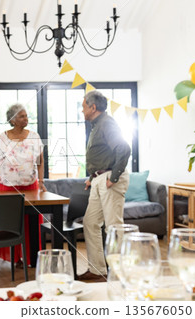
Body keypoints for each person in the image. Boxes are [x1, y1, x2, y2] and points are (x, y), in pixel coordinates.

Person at [0, 103, 46, 267]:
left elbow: (40, 161)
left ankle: (31, 258)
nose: (26, 119)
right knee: (12, 223)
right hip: (7, 187)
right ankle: (17, 259)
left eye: (26, 115)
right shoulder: (3, 138)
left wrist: (42, 182)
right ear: (13, 119)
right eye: (22, 116)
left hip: (30, 186)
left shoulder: (34, 136)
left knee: (30, 224)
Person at [77, 90, 131, 282]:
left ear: (93, 107)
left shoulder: (107, 123)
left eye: (84, 106)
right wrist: (93, 177)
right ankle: (98, 269)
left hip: (110, 179)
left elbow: (123, 148)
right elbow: (103, 155)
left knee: (114, 227)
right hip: (100, 178)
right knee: (90, 222)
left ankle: (120, 273)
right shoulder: (97, 125)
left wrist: (113, 177)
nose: (82, 110)